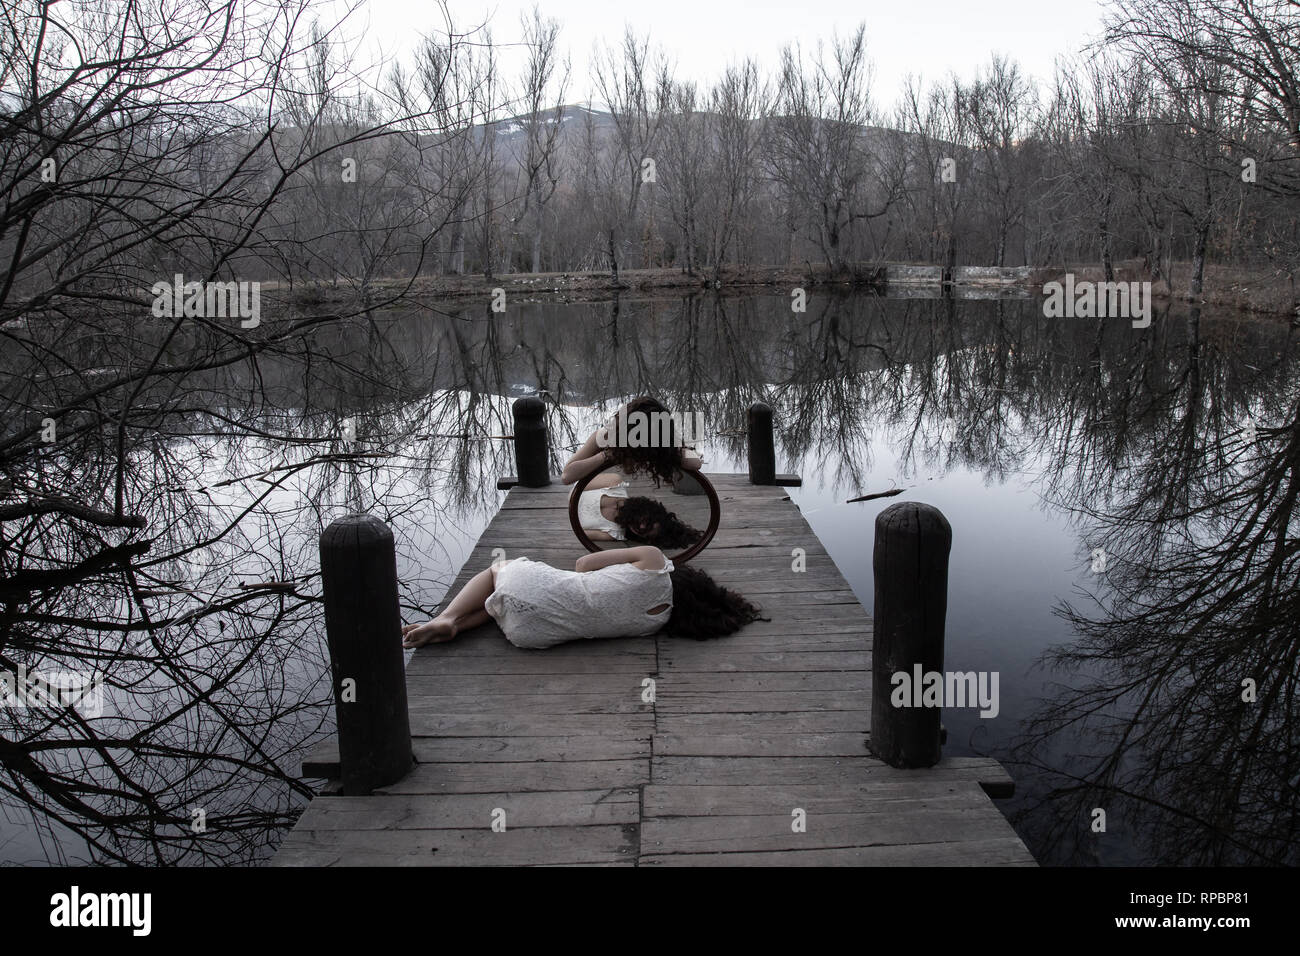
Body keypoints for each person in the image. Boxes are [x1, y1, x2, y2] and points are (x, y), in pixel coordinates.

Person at [401, 546, 765, 650]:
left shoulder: (655, 560)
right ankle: (462, 625)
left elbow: (582, 564)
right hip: (531, 636)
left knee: (500, 570)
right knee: (508, 604)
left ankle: (448, 618)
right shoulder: (658, 624)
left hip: (543, 592)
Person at [561, 396, 701, 486]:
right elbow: (567, 476)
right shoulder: (606, 436)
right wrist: (606, 456)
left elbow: (695, 463)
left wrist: (672, 448)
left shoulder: (661, 444)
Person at [576, 471, 703, 549]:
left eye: (645, 532)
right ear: (646, 510)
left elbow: (578, 532)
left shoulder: (614, 533)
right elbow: (577, 487)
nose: (641, 527)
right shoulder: (614, 483)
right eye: (647, 523)